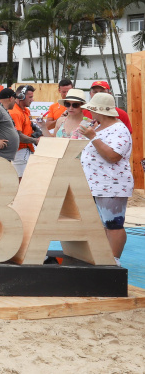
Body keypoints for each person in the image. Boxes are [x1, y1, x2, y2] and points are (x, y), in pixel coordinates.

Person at [77, 92, 132, 266]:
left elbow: (113, 156)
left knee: (113, 224)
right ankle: (105, 259)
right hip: (97, 184)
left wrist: (93, 137)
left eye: (92, 109)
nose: (89, 113)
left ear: (100, 111)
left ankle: (113, 260)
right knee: (104, 224)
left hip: (112, 184)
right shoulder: (98, 127)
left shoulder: (119, 129)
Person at [8, 85, 41, 180]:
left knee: (29, 180)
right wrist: (35, 140)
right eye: (30, 97)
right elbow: (17, 135)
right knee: (22, 181)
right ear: (21, 96)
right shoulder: (15, 112)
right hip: (19, 151)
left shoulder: (25, 110)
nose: (32, 99)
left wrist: (38, 131)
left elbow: (29, 126)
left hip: (27, 150)